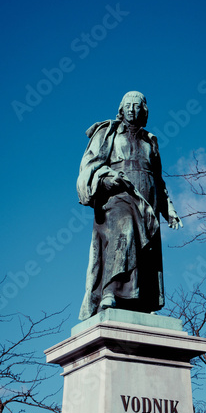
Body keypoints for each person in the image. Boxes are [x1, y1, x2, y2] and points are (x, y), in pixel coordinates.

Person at [77, 91, 183, 320]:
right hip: (119, 194)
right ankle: (109, 292)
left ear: (144, 110)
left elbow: (158, 179)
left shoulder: (150, 141)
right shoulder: (109, 133)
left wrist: (170, 210)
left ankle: (141, 300)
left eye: (137, 106)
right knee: (123, 232)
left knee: (146, 249)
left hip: (148, 201)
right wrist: (105, 181)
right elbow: (90, 166)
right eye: (128, 106)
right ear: (121, 109)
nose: (133, 110)